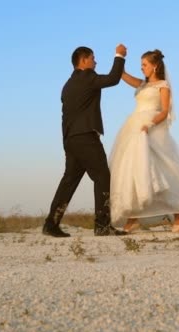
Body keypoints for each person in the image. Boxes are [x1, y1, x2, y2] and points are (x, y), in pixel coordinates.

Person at [42, 45, 129, 237]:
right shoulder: (87, 77)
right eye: (93, 58)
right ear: (83, 61)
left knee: (69, 181)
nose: (95, 62)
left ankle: (51, 224)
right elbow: (113, 79)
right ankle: (103, 225)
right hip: (86, 138)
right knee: (103, 177)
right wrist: (119, 55)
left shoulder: (67, 85)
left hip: (70, 139)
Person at [109, 49, 179, 233]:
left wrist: (149, 124)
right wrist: (119, 58)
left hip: (152, 129)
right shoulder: (142, 85)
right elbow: (121, 75)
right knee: (134, 170)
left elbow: (164, 111)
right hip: (134, 128)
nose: (142, 69)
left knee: (163, 170)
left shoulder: (163, 86)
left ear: (155, 66)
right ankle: (133, 216)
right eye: (141, 65)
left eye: (144, 65)